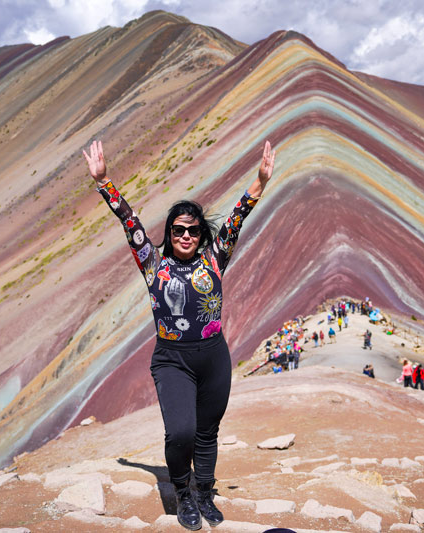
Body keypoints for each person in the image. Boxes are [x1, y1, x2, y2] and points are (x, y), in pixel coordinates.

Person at [83, 139, 276, 531]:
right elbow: (129, 222)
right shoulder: (153, 264)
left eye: (191, 229)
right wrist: (104, 182)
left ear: (200, 232)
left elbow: (239, 215)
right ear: (169, 233)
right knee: (182, 431)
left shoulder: (216, 256)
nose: (185, 235)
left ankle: (205, 491)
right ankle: (183, 491)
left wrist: (259, 181)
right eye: (177, 230)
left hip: (213, 358)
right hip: (173, 360)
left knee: (208, 431)